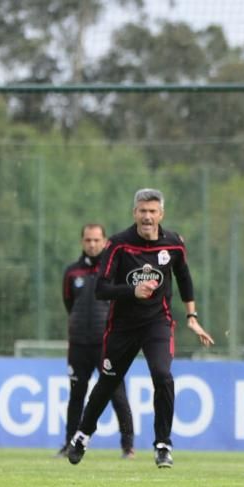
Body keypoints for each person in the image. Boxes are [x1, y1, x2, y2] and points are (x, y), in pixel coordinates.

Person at [66, 188, 214, 469]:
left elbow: (184, 277)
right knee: (108, 383)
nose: (147, 217)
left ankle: (162, 444)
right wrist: (133, 291)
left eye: (152, 211)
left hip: (157, 323)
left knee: (163, 375)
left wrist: (192, 316)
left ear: (161, 214)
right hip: (121, 327)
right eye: (142, 211)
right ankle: (83, 435)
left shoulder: (173, 243)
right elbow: (101, 289)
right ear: (134, 213)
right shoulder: (119, 245)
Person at [59, 223, 135, 459]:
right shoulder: (72, 272)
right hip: (79, 345)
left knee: (117, 393)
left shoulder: (113, 270)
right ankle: (70, 443)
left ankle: (128, 447)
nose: (92, 245)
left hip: (107, 344)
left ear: (104, 242)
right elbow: (69, 304)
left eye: (96, 240)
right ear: (82, 242)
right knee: (76, 395)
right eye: (88, 240)